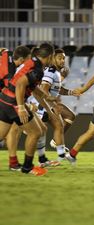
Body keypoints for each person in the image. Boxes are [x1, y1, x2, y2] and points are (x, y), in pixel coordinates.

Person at [0, 43, 57, 176]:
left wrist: (47, 96)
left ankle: (27, 165)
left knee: (1, 135)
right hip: (14, 102)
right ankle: (27, 167)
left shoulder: (34, 63)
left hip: (5, 100)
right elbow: (20, 84)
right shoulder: (38, 69)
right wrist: (21, 107)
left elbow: (31, 86)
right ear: (50, 56)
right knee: (35, 132)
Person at [26, 48, 78, 166]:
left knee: (59, 125)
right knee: (37, 133)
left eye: (64, 58)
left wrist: (71, 93)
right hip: (40, 105)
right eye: (59, 58)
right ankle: (33, 162)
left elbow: (56, 90)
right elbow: (44, 90)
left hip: (46, 104)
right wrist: (54, 105)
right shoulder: (50, 71)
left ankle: (59, 156)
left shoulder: (56, 73)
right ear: (52, 58)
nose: (62, 61)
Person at [0, 46, 31, 170]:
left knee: (12, 130)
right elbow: (13, 90)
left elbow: (3, 50)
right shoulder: (10, 74)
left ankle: (13, 163)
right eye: (29, 60)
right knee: (14, 130)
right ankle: (14, 163)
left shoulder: (8, 54)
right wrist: (22, 105)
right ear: (23, 59)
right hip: (5, 99)